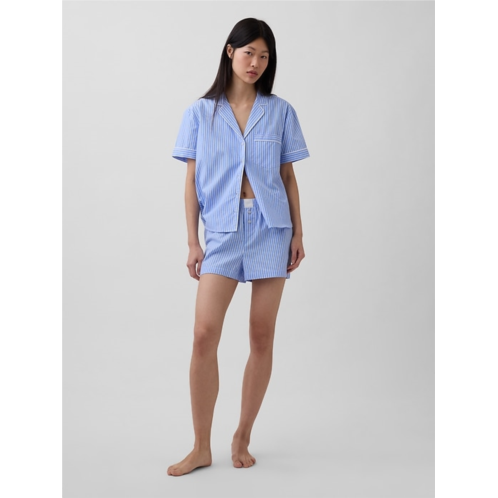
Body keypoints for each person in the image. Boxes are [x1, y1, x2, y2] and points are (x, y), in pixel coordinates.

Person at [168, 17, 310, 477]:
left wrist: (298, 234)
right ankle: (200, 446)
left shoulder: (281, 111)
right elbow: (191, 182)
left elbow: (288, 176)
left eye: (264, 56)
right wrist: (193, 240)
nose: (256, 63)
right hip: (223, 233)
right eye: (249, 52)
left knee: (261, 336)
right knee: (203, 335)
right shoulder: (200, 113)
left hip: (271, 230)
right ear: (230, 52)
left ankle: (243, 435)